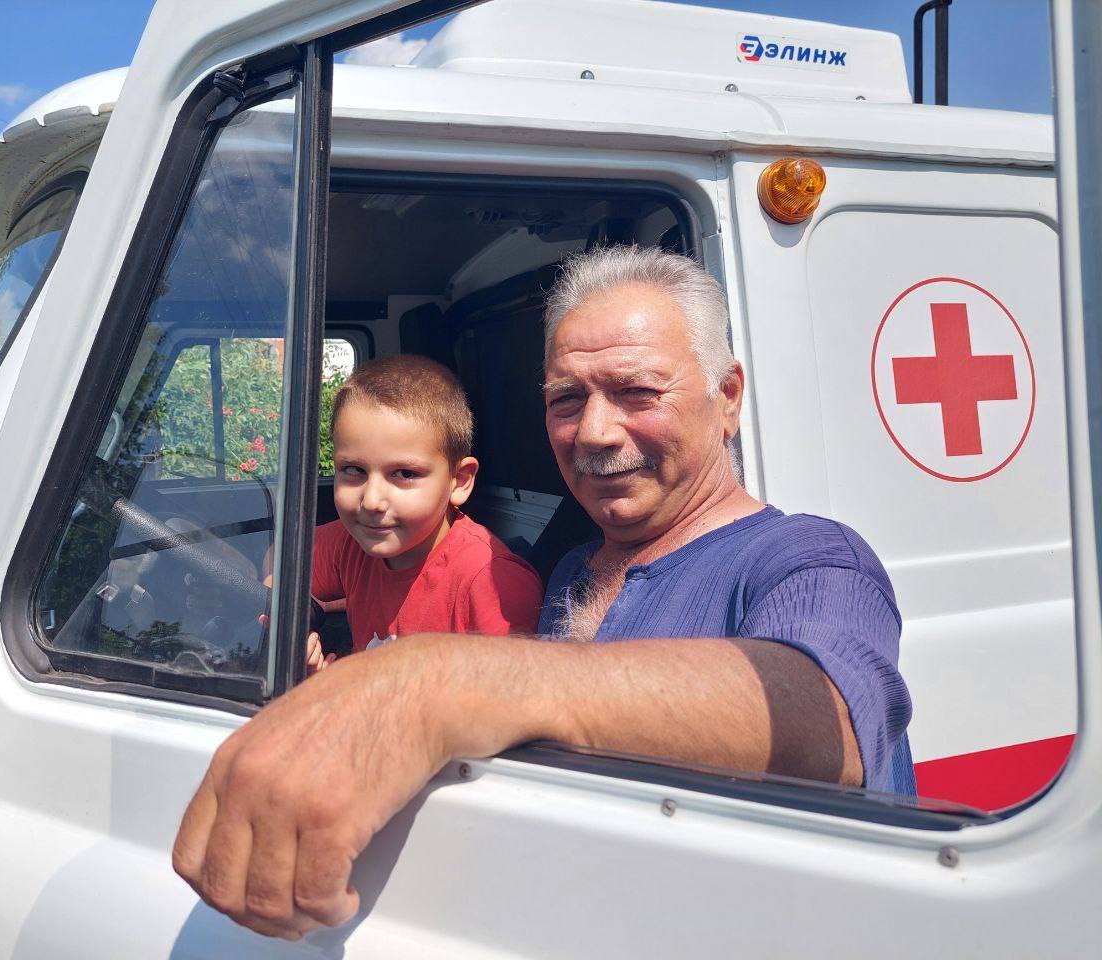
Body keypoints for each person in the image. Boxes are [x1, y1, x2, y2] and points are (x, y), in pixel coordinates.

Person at [173, 245, 913, 941]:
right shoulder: (573, 573)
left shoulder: (810, 557)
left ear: (727, 397)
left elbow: (828, 721)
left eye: (636, 391)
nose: (593, 431)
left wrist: (426, 679)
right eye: (567, 399)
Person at [304, 354, 542, 670]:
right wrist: (299, 629)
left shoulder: (492, 583)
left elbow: (503, 710)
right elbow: (278, 570)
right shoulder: (352, 541)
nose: (372, 500)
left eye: (404, 474)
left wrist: (345, 688)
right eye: (353, 469)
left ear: (458, 481)